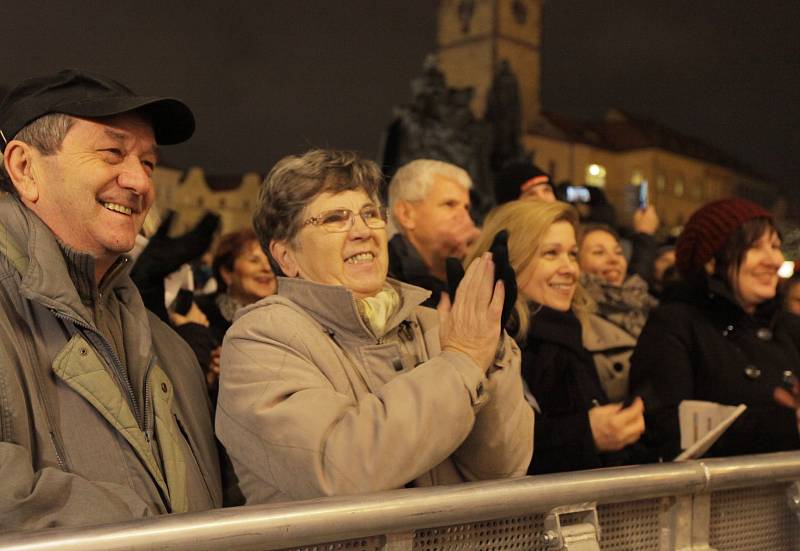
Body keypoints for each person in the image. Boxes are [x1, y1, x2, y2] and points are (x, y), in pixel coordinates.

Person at [215, 149, 532, 503]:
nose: (362, 231)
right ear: (286, 255)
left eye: (370, 214)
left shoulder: (434, 323)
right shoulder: (260, 338)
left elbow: (503, 469)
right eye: (336, 218)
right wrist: (461, 362)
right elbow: (341, 469)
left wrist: (491, 351)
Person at [0, 69, 222, 530]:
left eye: (148, 163)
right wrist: (153, 535)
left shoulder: (170, 349)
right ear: (24, 168)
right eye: (112, 152)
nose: (139, 182)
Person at [465, 200, 644, 475]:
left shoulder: (567, 329)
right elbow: (494, 452)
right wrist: (587, 433)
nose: (570, 269)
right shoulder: (489, 341)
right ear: (512, 261)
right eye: (551, 254)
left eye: (572, 254)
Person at [630, 198, 800, 462]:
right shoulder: (676, 324)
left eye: (776, 246)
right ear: (711, 261)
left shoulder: (787, 326)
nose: (775, 260)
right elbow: (663, 427)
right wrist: (786, 425)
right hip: (719, 498)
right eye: (756, 247)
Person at [577, 225, 657, 401]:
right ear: (576, 262)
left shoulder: (647, 304)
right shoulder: (578, 317)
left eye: (618, 252)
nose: (614, 259)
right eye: (599, 252)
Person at [387, 159, 480, 307]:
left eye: (466, 208)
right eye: (449, 204)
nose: (466, 218)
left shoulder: (471, 268)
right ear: (406, 214)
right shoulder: (384, 275)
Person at [195, 228, 276, 395]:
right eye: (254, 261)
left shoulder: (288, 319)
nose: (266, 268)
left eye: (270, 260)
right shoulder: (200, 315)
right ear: (227, 273)